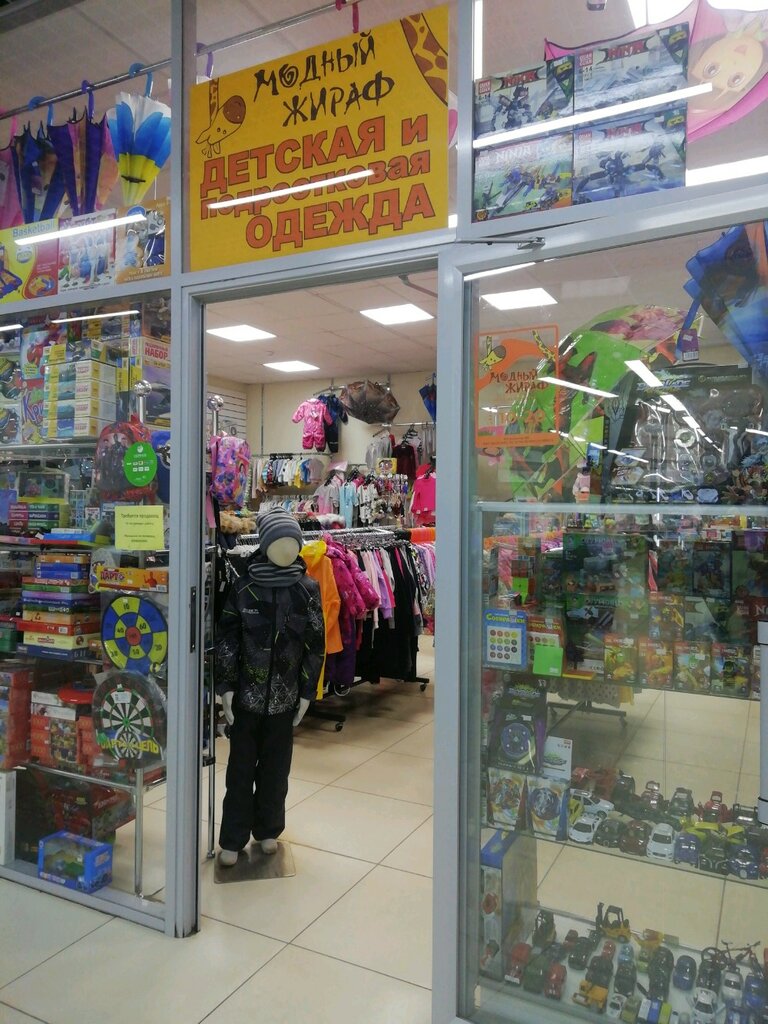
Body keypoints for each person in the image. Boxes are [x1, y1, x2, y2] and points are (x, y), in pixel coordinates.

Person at [215, 508, 325, 865]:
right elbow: (227, 638)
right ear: (264, 544)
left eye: (293, 542)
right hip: (246, 699)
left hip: (285, 699)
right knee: (240, 771)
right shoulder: (243, 587)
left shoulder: (307, 589)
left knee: (276, 772)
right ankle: (232, 838)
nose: (287, 549)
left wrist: (306, 692)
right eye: (280, 542)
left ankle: (268, 830)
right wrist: (226, 687)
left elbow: (315, 644)